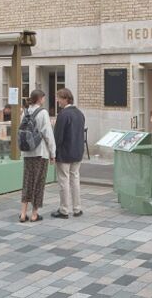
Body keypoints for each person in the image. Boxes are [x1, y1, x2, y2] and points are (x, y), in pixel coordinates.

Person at [18, 89, 56, 223]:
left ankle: (23, 213)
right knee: (38, 182)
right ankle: (34, 214)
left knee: (27, 181)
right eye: (44, 98)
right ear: (40, 99)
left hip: (27, 153)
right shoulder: (43, 112)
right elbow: (48, 134)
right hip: (41, 153)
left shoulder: (25, 112)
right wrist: (53, 153)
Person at [51, 88, 85, 219]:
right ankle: (77, 209)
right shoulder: (80, 113)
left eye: (59, 97)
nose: (57, 100)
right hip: (77, 152)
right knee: (75, 180)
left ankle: (64, 210)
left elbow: (58, 137)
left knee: (64, 181)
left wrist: (53, 153)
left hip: (65, 153)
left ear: (66, 99)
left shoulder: (63, 115)